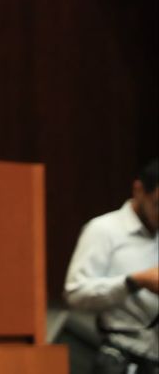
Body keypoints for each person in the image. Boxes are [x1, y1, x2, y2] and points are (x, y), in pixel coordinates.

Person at [65, 158, 159, 373]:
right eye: (158, 205)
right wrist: (133, 282)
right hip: (122, 357)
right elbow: (75, 294)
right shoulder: (104, 230)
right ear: (139, 190)